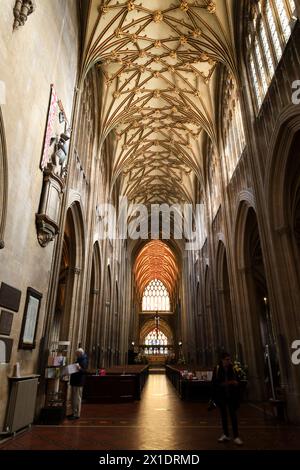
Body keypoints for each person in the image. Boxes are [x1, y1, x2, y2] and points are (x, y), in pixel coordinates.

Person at [212, 352, 243, 445]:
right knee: (224, 416)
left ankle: (236, 436)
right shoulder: (217, 369)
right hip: (222, 396)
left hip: (231, 396)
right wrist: (229, 383)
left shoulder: (233, 368)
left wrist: (236, 383)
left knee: (233, 416)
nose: (229, 361)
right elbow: (214, 383)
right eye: (227, 359)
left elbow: (238, 380)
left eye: (229, 359)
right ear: (222, 360)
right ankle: (226, 434)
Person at [68, 348, 88, 420]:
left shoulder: (84, 360)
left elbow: (84, 371)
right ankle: (74, 412)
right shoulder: (80, 359)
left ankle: (76, 414)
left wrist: (79, 368)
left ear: (80, 353)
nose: (76, 355)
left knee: (77, 398)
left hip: (78, 382)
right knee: (74, 398)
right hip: (75, 381)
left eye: (77, 354)